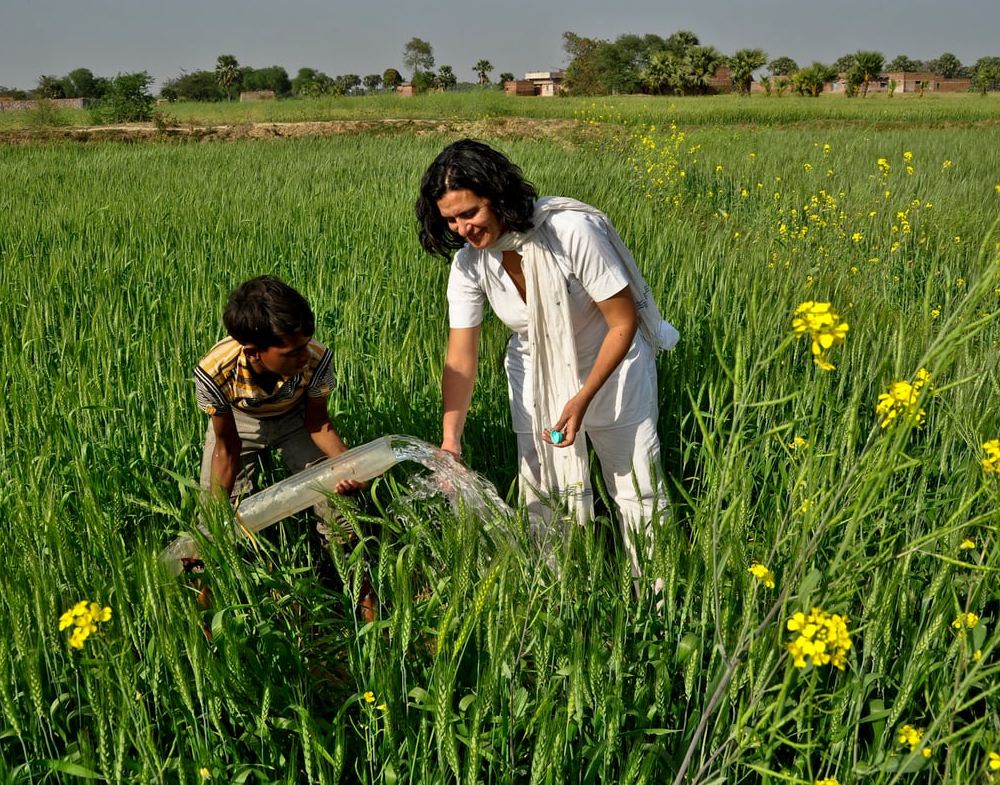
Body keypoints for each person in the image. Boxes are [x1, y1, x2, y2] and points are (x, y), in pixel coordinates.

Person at [415, 139, 677, 576]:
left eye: (471, 213)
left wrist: (582, 397)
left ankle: (657, 601)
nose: (462, 228)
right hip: (535, 378)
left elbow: (622, 321)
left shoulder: (570, 231)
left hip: (611, 369)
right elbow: (461, 358)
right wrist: (450, 440)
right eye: (451, 220)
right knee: (544, 495)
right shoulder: (469, 265)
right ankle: (561, 593)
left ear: (498, 197)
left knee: (637, 491)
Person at [193, 275, 375, 619]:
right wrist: (217, 516)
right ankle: (207, 614)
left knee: (337, 504)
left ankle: (366, 609)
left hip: (297, 419)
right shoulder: (214, 372)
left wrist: (349, 466)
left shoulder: (317, 359)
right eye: (292, 352)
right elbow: (227, 448)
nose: (304, 356)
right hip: (239, 424)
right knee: (211, 520)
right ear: (253, 352)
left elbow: (318, 423)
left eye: (306, 344)